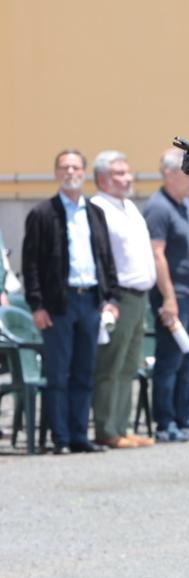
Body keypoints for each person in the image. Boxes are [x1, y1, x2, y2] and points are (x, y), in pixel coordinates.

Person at [21, 149, 119, 453]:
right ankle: (61, 438)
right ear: (56, 173)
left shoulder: (95, 212)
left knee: (84, 372)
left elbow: (106, 258)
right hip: (57, 305)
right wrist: (36, 305)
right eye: (64, 167)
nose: (70, 172)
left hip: (90, 301)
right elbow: (30, 264)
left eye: (75, 167)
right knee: (58, 374)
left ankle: (79, 436)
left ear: (84, 173)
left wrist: (111, 298)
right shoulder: (42, 213)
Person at [88, 150, 156, 449]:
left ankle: (123, 426)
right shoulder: (97, 208)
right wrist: (108, 298)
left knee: (129, 366)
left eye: (128, 172)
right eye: (120, 173)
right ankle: (107, 428)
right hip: (119, 297)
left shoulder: (129, 206)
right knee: (110, 366)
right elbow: (101, 257)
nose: (128, 178)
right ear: (102, 178)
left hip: (140, 296)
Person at [144, 148, 189, 442]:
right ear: (170, 175)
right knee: (170, 361)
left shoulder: (184, 206)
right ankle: (166, 422)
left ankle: (187, 419)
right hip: (175, 296)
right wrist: (168, 298)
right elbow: (157, 255)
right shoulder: (159, 208)